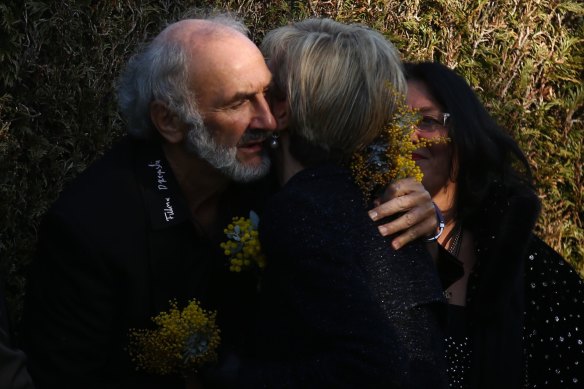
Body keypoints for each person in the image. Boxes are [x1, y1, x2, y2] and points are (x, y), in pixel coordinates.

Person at [19, 13, 439, 388]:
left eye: (267, 94)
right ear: (169, 120)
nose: (269, 120)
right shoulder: (90, 228)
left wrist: (426, 211)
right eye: (239, 102)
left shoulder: (271, 167)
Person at [204, 19, 448, 388]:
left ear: (283, 109)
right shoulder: (372, 194)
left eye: (266, 88)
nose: (254, 100)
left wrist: (235, 378)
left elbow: (374, 365)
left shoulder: (305, 209)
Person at [404, 61, 584, 388]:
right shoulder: (360, 239)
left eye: (427, 121)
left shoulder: (530, 269)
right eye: (393, 122)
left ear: (464, 134)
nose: (407, 135)